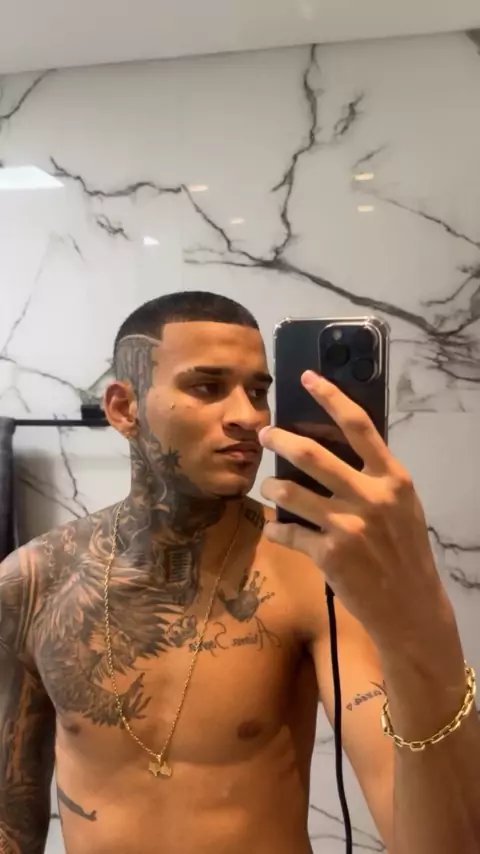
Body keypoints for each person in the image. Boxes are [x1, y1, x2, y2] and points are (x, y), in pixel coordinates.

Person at [0, 291, 479, 854]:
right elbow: (11, 820)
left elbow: (433, 840)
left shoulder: (310, 571)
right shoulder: (35, 580)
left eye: (257, 392)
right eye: (207, 387)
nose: (249, 417)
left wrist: (422, 622)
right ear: (124, 408)